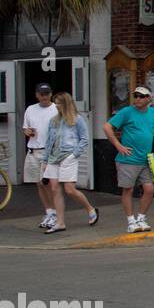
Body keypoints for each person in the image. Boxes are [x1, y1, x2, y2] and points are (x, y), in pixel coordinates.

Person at [102, 86, 154, 233]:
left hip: (145, 159)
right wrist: (118, 145)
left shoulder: (153, 113)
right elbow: (107, 126)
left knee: (149, 189)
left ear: (148, 99)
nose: (137, 98)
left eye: (141, 96)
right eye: (136, 95)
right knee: (128, 189)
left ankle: (141, 218)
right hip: (128, 159)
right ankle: (130, 221)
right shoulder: (127, 112)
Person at [40, 92, 97, 233]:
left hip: (68, 156)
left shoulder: (77, 119)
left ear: (66, 103)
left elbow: (84, 139)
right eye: (56, 103)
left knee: (69, 189)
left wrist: (74, 155)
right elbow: (48, 142)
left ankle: (90, 209)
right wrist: (45, 160)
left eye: (59, 103)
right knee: (54, 189)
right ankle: (60, 222)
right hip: (54, 157)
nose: (56, 105)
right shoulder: (53, 121)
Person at [22, 82, 59, 230]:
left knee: (49, 184)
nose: (44, 96)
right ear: (36, 94)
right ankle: (49, 211)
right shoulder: (30, 109)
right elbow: (25, 127)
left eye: (47, 93)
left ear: (51, 94)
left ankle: (56, 213)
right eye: (41, 94)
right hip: (33, 149)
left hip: (49, 151)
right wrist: (27, 132)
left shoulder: (56, 108)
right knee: (38, 183)